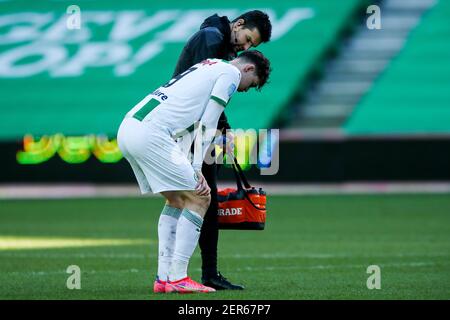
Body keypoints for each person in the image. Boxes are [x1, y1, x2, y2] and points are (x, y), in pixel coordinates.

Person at [117, 51, 271, 293]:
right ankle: (178, 278)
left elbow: (187, 119)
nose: (244, 90)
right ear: (249, 70)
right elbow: (208, 123)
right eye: (251, 85)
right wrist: (197, 167)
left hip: (129, 128)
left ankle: (164, 278)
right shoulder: (231, 73)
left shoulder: (207, 65)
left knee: (177, 200)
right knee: (200, 197)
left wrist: (190, 160)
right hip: (152, 134)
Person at [172, 10, 272, 290]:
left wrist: (223, 131)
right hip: (192, 131)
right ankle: (202, 274)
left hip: (194, 129)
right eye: (248, 38)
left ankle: (176, 274)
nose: (246, 47)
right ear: (238, 24)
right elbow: (201, 94)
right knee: (206, 200)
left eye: (252, 45)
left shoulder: (213, 39)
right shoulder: (212, 40)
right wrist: (221, 132)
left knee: (192, 201)